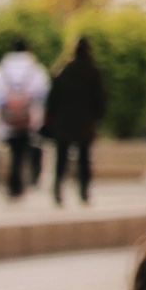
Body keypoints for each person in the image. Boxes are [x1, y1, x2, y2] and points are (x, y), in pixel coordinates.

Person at [44, 37, 106, 206]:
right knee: (84, 159)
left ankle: (58, 189)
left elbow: (52, 99)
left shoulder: (64, 70)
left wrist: (51, 117)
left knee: (61, 158)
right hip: (85, 123)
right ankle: (84, 191)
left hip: (64, 122)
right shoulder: (93, 72)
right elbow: (100, 100)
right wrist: (97, 118)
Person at [0, 37, 51, 200]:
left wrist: (9, 103)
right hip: (28, 118)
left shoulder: (1, 69)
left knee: (15, 151)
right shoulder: (35, 69)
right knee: (23, 149)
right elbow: (43, 92)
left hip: (8, 119)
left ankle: (15, 184)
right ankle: (20, 182)